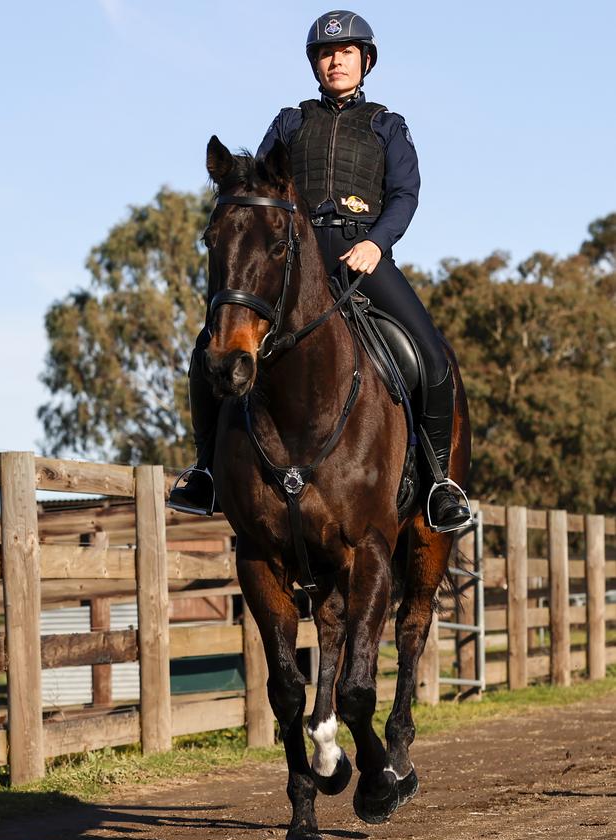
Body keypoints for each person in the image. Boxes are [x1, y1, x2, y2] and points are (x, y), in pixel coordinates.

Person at [169, 9, 471, 533]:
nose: (336, 61)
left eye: (346, 52)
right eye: (327, 54)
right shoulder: (290, 121)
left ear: (365, 61)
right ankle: (205, 471)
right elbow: (261, 189)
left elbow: (405, 195)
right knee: (207, 349)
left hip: (361, 254)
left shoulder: (387, 125)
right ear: (316, 64)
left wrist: (377, 243)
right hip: (295, 258)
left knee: (432, 357)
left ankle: (440, 481)